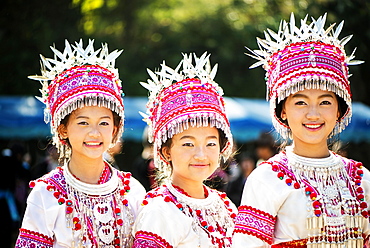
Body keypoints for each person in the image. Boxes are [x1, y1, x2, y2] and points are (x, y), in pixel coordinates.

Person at [232, 13, 370, 247]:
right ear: (282, 110)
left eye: (325, 102)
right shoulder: (266, 179)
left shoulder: (362, 179)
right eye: (300, 102)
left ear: (339, 110)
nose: (313, 114)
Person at [15, 39, 146, 247]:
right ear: (63, 129)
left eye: (103, 123)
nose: (94, 133)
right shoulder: (45, 193)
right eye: (83, 122)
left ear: (114, 129)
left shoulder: (133, 191)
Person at [133, 52, 237, 247]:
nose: (201, 154)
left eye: (211, 144)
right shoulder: (160, 210)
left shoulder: (225, 206)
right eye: (188, 144)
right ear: (166, 152)